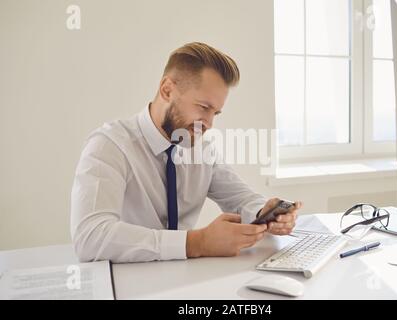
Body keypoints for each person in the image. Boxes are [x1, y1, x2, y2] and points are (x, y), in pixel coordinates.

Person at [70, 42, 301, 263]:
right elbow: (90, 237)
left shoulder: (200, 148)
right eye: (203, 107)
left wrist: (267, 213)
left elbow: (241, 199)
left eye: (216, 113)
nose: (209, 123)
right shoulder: (109, 146)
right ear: (167, 90)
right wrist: (196, 243)